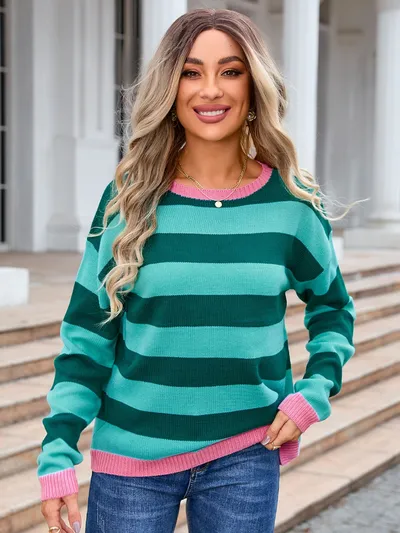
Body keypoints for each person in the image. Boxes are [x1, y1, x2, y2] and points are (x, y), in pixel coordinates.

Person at [37, 8, 360, 533]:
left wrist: (314, 392)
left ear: (254, 85)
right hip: (131, 462)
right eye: (191, 72)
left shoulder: (292, 205)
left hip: (246, 455)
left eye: (230, 71)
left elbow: (333, 309)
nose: (211, 89)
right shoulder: (127, 201)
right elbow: (87, 337)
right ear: (170, 87)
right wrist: (57, 453)